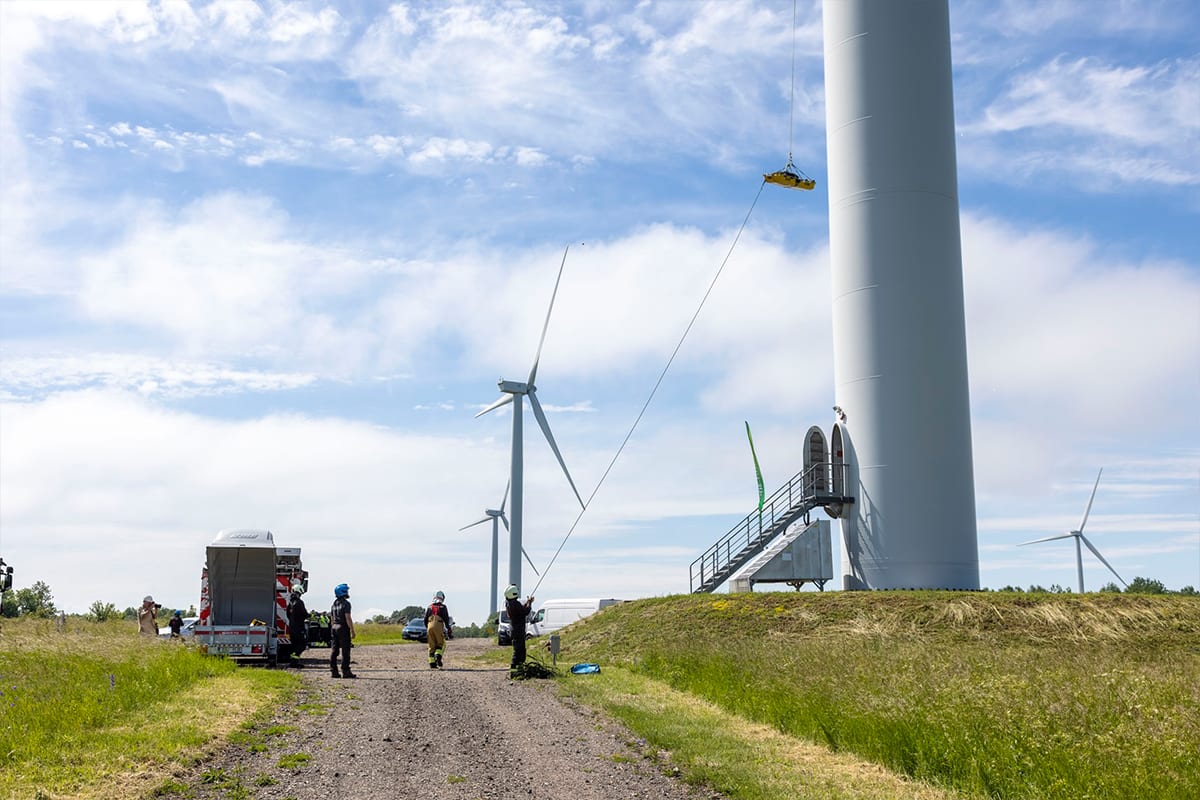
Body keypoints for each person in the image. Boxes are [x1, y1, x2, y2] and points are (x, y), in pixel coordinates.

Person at [504, 584, 534, 676]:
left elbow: (521, 610)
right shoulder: (515, 604)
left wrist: (527, 603)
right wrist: (529, 603)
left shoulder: (509, 604)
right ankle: (514, 673)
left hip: (515, 631)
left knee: (520, 652)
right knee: (518, 653)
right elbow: (525, 611)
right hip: (518, 631)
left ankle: (518, 672)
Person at [329, 583, 356, 679]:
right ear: (344, 592)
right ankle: (346, 671)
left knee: (334, 651)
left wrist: (333, 628)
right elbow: (347, 618)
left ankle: (333, 671)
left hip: (334, 627)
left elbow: (332, 618)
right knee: (345, 651)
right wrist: (352, 630)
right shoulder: (346, 604)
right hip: (343, 627)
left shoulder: (334, 604)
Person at [423, 590, 453, 669]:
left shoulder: (429, 607)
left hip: (429, 626)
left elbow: (425, 619)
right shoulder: (443, 607)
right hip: (438, 625)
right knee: (441, 644)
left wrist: (428, 628)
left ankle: (432, 664)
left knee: (431, 645)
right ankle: (438, 656)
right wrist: (449, 630)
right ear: (442, 598)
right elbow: (446, 620)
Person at [287, 585, 309, 667]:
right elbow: (305, 614)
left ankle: (294, 662)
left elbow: (288, 614)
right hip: (299, 627)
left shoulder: (290, 603)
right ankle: (294, 662)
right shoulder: (299, 602)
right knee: (301, 645)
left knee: (295, 645)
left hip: (292, 627)